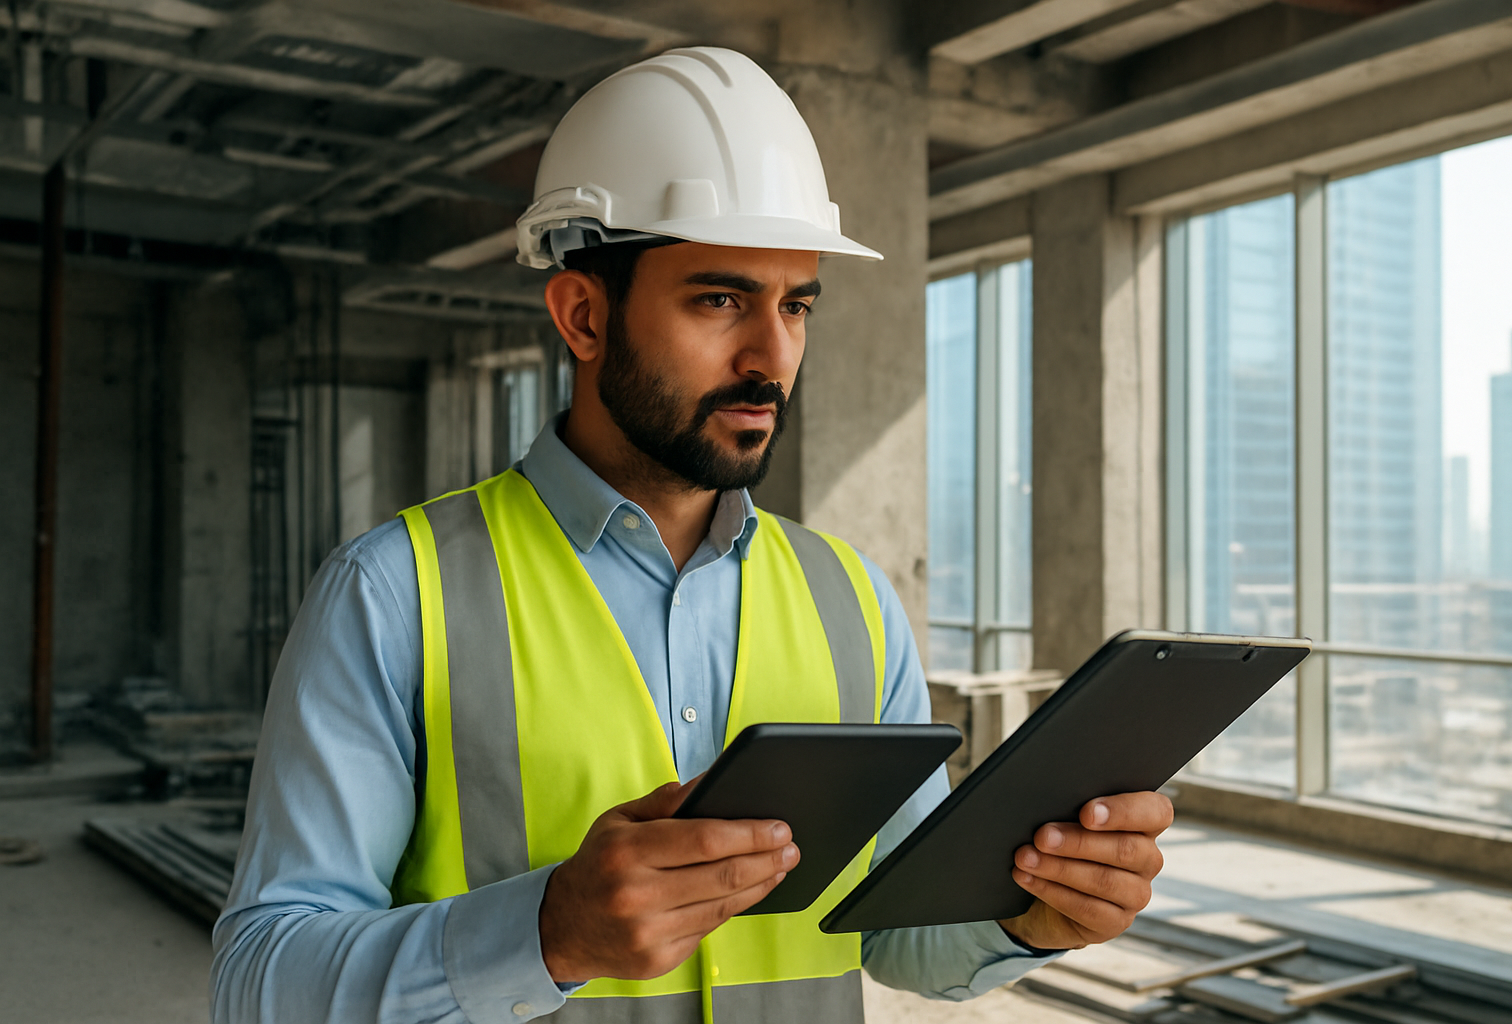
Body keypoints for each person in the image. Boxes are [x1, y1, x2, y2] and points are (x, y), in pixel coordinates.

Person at [211, 47, 1173, 1024]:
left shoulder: (851, 600)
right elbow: (261, 981)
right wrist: (547, 932)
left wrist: (1033, 915)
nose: (772, 357)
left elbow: (895, 935)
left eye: (795, 304)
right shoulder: (395, 594)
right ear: (583, 315)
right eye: (720, 299)